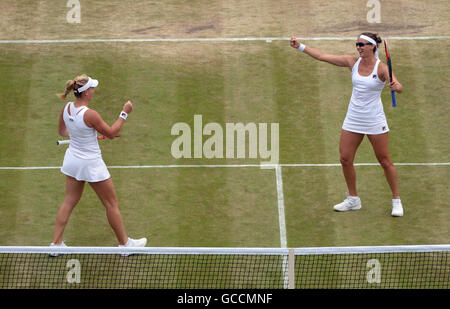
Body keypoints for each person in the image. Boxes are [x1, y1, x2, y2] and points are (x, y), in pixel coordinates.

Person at [290, 33, 404, 217]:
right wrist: (301, 46)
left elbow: (399, 86)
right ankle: (353, 199)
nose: (358, 47)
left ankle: (396, 201)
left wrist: (395, 87)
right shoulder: (352, 62)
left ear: (372, 47)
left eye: (362, 44)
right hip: (353, 119)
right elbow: (323, 56)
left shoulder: (382, 68)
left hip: (374, 120)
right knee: (345, 158)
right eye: (357, 44)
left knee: (384, 160)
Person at [51, 74, 147, 248]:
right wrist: (124, 113)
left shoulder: (66, 108)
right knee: (111, 203)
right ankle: (125, 245)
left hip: (73, 160)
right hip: (91, 164)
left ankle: (56, 244)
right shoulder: (90, 115)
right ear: (86, 92)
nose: (94, 91)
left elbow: (62, 131)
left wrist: (81, 134)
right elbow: (110, 133)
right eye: (92, 88)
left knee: (69, 201)